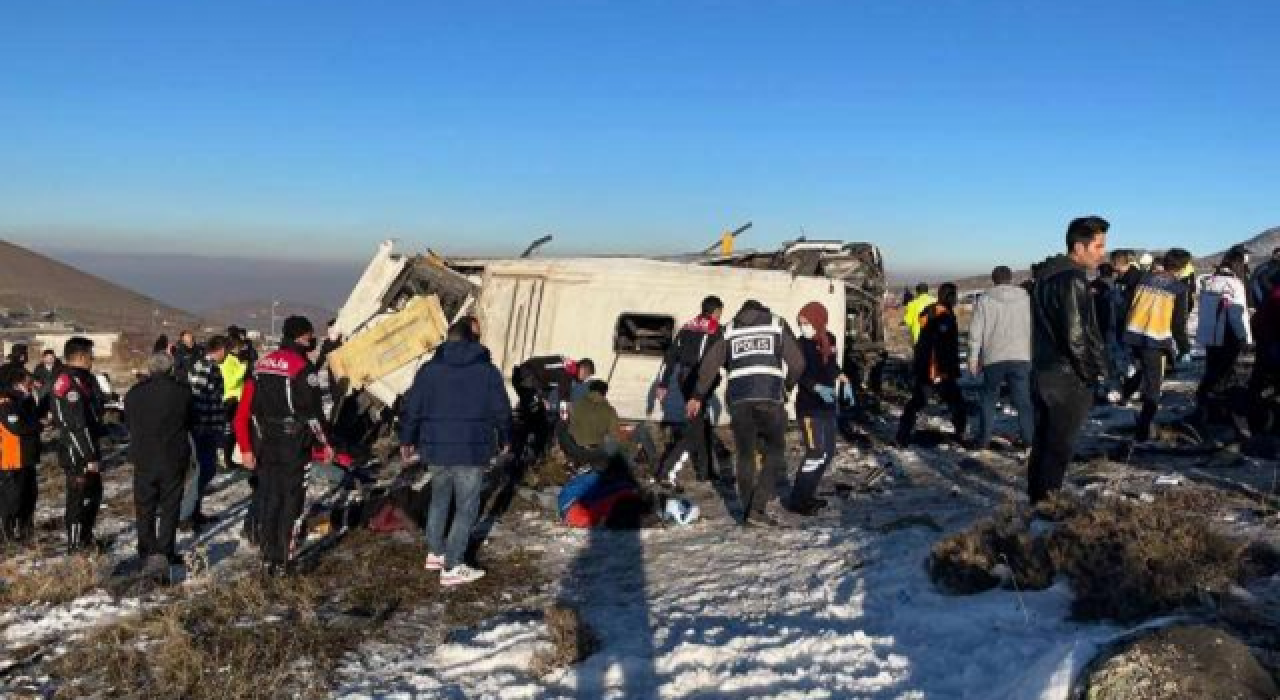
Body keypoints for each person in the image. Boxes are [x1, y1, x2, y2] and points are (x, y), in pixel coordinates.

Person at [399, 320, 511, 586]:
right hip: (472, 447)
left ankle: (436, 552)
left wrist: (407, 439)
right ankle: (453, 565)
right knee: (467, 506)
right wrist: (507, 438)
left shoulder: (428, 370)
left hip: (436, 447)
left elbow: (412, 408)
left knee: (439, 499)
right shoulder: (487, 371)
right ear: (473, 339)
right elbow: (502, 411)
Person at [689, 300, 805, 527]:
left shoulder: (730, 329)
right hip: (770, 397)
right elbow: (798, 363)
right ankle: (757, 508)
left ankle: (748, 511)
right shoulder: (776, 324)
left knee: (745, 455)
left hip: (739, 400)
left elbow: (708, 364)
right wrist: (786, 387)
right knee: (774, 451)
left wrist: (697, 395)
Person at [234, 317, 333, 577]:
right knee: (291, 500)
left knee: (269, 497)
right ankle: (283, 559)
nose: (312, 341)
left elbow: (242, 413)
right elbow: (313, 414)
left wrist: (246, 446)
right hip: (294, 443)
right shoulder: (303, 368)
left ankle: (268, 555)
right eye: (310, 336)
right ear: (302, 337)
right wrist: (325, 442)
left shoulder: (260, 365)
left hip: (265, 440)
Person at [1027, 216, 1109, 504]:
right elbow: (1076, 336)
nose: (1103, 253)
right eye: (1098, 247)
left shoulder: (1046, 276)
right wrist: (1090, 374)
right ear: (1079, 247)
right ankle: (1048, 505)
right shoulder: (1072, 279)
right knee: (1059, 447)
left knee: (1043, 443)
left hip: (1043, 371)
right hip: (1066, 377)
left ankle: (1036, 501)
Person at [123, 353, 193, 579]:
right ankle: (166, 551)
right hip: (173, 457)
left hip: (143, 456)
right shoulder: (183, 392)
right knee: (170, 506)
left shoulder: (134, 393)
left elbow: (129, 422)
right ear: (171, 369)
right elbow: (192, 420)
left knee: (144, 505)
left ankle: (146, 550)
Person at [1121, 249, 1192, 443]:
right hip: (1155, 338)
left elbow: (1128, 305)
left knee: (1141, 370)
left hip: (1134, 334)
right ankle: (1143, 431)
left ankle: (1124, 395)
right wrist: (1184, 346)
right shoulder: (1178, 288)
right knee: (1154, 385)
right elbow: (1178, 324)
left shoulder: (1144, 279)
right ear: (1183, 267)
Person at [788, 301, 849, 516]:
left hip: (828, 405)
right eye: (800, 323)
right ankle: (798, 499)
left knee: (828, 452)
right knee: (815, 452)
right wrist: (815, 386)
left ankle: (808, 494)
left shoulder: (829, 339)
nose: (803, 327)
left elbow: (831, 364)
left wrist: (843, 378)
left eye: (806, 322)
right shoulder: (798, 344)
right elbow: (798, 374)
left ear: (818, 321)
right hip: (808, 407)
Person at [655, 295, 724, 483]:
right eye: (720, 312)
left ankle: (705, 472)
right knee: (693, 430)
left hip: (683, 378)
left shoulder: (688, 326)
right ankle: (665, 472)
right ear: (716, 311)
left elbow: (670, 356)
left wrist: (663, 383)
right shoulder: (715, 329)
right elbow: (720, 357)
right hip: (699, 380)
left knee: (700, 425)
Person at [968, 266, 1034, 451]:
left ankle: (983, 439)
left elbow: (975, 332)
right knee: (1023, 402)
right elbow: (1032, 327)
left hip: (993, 357)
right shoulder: (1025, 298)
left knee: (988, 399)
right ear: (1010, 278)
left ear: (993, 279)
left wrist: (973, 359)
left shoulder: (984, 300)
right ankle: (1029, 441)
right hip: (1021, 356)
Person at [51, 336, 107, 552]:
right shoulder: (67, 382)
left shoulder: (84, 379)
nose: (93, 359)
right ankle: (75, 545)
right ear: (81, 356)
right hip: (77, 451)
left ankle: (86, 537)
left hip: (89, 446)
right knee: (78, 497)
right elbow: (75, 425)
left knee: (93, 495)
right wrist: (89, 456)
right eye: (90, 355)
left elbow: (92, 413)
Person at [896, 283, 967, 447]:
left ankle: (902, 435)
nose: (956, 299)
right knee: (955, 402)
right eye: (954, 295)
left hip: (927, 366)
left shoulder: (932, 310)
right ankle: (960, 432)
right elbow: (938, 346)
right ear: (949, 296)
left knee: (918, 402)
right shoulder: (943, 315)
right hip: (938, 369)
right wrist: (937, 372)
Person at [1195, 249, 1252, 420]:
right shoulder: (1234, 284)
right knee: (1225, 373)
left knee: (1211, 370)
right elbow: (1236, 314)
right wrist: (1244, 338)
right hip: (1227, 334)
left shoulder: (1209, 281)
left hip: (1209, 334)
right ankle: (1221, 409)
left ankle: (1204, 404)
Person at [181, 335, 227, 528]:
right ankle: (187, 514)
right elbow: (196, 396)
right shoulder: (203, 367)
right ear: (221, 349)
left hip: (211, 426)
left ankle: (194, 511)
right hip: (203, 428)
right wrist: (198, 424)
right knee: (201, 471)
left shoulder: (211, 367)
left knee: (206, 471)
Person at [511, 355, 594, 462]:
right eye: (586, 375)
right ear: (582, 369)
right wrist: (541, 397)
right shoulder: (567, 371)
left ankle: (534, 449)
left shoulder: (569, 370)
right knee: (537, 413)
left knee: (544, 412)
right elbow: (564, 398)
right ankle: (518, 449)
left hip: (531, 378)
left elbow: (563, 395)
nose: (585, 379)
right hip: (525, 375)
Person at [0, 366, 41, 544]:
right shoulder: (6, 402)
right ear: (17, 383)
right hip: (12, 458)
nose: (31, 384)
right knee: (12, 500)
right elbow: (16, 427)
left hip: (27, 457)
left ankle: (26, 533)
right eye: (28, 381)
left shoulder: (24, 399)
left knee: (29, 497)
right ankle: (6, 534)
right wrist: (40, 425)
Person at [220, 336, 249, 467]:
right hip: (230, 399)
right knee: (230, 432)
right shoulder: (228, 361)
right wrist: (243, 368)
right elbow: (230, 381)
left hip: (238, 398)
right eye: (239, 347)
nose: (240, 349)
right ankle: (228, 460)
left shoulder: (235, 359)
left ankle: (232, 459)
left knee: (237, 430)